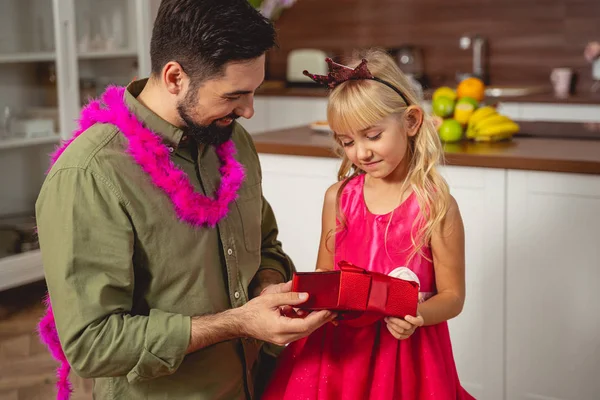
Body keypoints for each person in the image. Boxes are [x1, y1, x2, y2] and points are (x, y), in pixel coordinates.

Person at [35, 1, 335, 399]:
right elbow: (93, 343)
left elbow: (265, 246)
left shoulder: (234, 142)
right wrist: (236, 323)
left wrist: (266, 287)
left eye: (254, 91)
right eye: (235, 95)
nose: (249, 110)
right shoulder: (90, 175)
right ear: (175, 77)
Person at [262, 49, 475, 399]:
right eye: (347, 142)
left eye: (372, 136)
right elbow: (325, 275)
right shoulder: (339, 198)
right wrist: (301, 299)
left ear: (411, 122)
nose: (361, 153)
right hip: (339, 353)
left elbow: (453, 297)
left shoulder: (436, 206)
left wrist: (416, 314)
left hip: (405, 355)